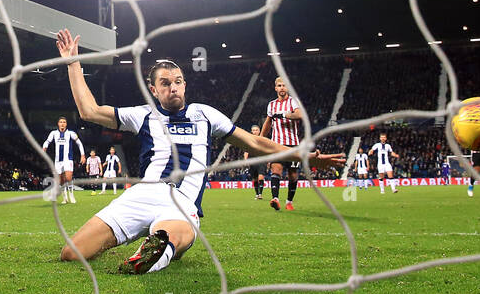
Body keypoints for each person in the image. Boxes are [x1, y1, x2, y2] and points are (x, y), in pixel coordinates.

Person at [52, 29, 343, 274]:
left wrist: (305, 155)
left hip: (180, 201)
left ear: (185, 84)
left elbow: (256, 143)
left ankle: (154, 250)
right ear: (154, 90)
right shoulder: (142, 115)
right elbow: (88, 111)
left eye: (178, 82)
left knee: (171, 237)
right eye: (165, 83)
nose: (173, 88)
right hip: (142, 194)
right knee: (72, 252)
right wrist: (73, 64)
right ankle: (149, 244)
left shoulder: (204, 114)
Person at [259, 76, 304, 211]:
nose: (282, 88)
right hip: (276, 144)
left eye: (284, 85)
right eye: (279, 85)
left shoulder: (293, 102)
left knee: (293, 174)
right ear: (275, 88)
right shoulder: (271, 105)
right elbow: (268, 123)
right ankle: (275, 199)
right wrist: (261, 138)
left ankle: (289, 202)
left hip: (292, 145)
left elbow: (299, 115)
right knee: (276, 169)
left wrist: (284, 115)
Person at [42, 117, 85, 203]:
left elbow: (79, 143)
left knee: (68, 178)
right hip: (58, 161)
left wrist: (83, 155)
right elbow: (47, 141)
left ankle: (71, 196)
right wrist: (44, 147)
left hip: (68, 159)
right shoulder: (53, 133)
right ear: (58, 124)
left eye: (64, 122)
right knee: (61, 181)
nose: (62, 123)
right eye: (61, 122)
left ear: (66, 124)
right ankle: (65, 198)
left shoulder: (71, 133)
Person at [242, 124, 266, 199]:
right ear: (251, 131)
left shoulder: (263, 140)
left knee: (261, 177)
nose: (255, 131)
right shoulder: (249, 140)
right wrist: (245, 161)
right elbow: (246, 151)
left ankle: (260, 194)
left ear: (259, 131)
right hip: (252, 161)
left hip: (261, 161)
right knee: (255, 179)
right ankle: (256, 193)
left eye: (256, 130)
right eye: (254, 130)